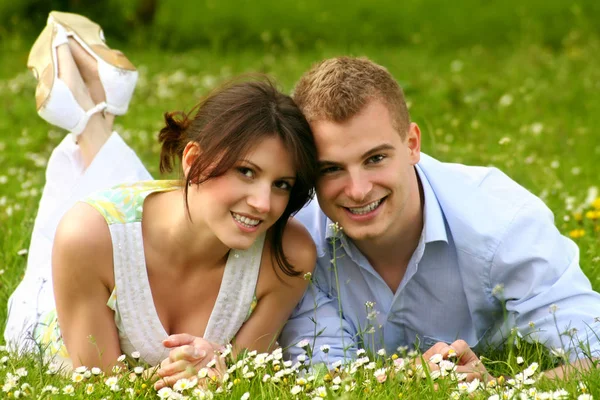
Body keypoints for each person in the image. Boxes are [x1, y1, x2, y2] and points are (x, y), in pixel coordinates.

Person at [4, 11, 318, 385]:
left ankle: (93, 105)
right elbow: (100, 384)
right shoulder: (85, 239)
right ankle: (83, 106)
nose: (263, 203)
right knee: (93, 221)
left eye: (282, 184)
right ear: (193, 159)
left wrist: (215, 372)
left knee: (158, 200)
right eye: (246, 172)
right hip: (50, 308)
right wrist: (179, 379)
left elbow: (241, 374)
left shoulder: (289, 258)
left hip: (171, 213)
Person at [277, 56, 600, 379]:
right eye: (331, 168)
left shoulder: (502, 221)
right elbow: (321, 374)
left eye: (375, 158)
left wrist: (500, 390)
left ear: (412, 144)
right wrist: (401, 379)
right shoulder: (297, 241)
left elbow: (594, 351)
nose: (359, 190)